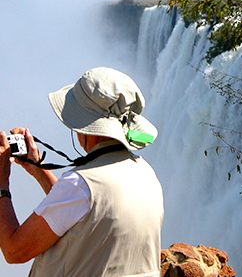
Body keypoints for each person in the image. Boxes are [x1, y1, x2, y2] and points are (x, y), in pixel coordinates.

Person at [0, 67, 164, 276]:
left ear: (88, 127)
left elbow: (14, 251)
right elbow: (83, 211)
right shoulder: (146, 174)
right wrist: (38, 167)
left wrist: (2, 183)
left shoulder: (81, 186)